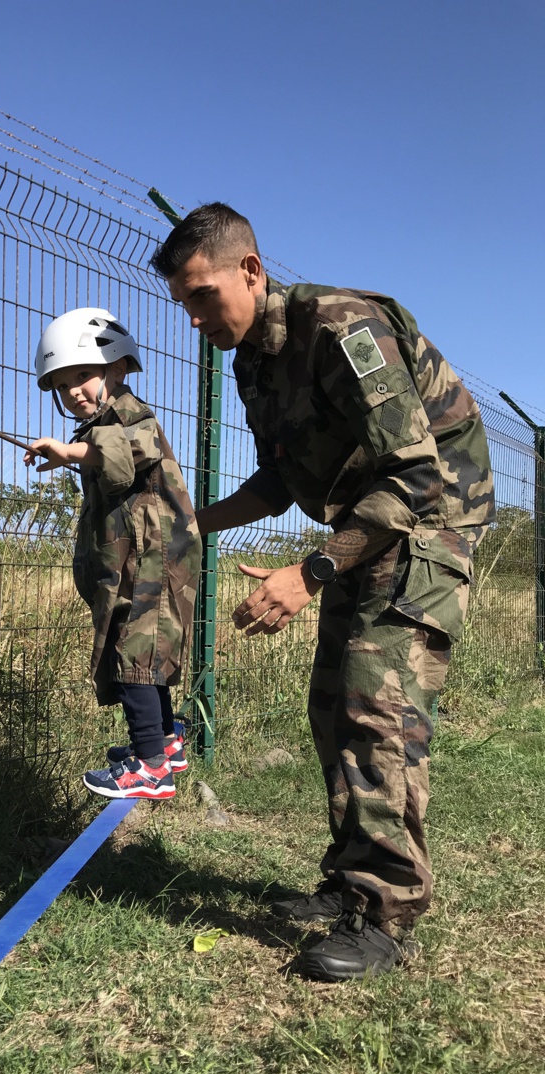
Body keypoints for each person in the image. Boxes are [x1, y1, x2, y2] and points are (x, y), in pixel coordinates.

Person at [150, 203, 495, 981]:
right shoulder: (251, 361)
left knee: (377, 707)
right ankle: (347, 882)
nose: (196, 318)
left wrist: (306, 575)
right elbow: (280, 481)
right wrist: (191, 526)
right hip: (365, 522)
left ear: (251, 269)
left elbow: (414, 475)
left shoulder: (342, 328)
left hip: (429, 520)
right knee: (332, 702)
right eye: (184, 305)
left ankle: (386, 912)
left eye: (203, 295)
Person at [25, 308, 202, 800]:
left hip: (155, 558)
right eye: (62, 385)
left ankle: (149, 766)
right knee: (145, 645)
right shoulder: (98, 425)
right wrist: (73, 454)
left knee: (136, 652)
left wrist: (72, 453)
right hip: (145, 557)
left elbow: (131, 446)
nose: (74, 391)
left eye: (83, 375)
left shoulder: (131, 413)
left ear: (118, 368)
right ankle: (165, 743)